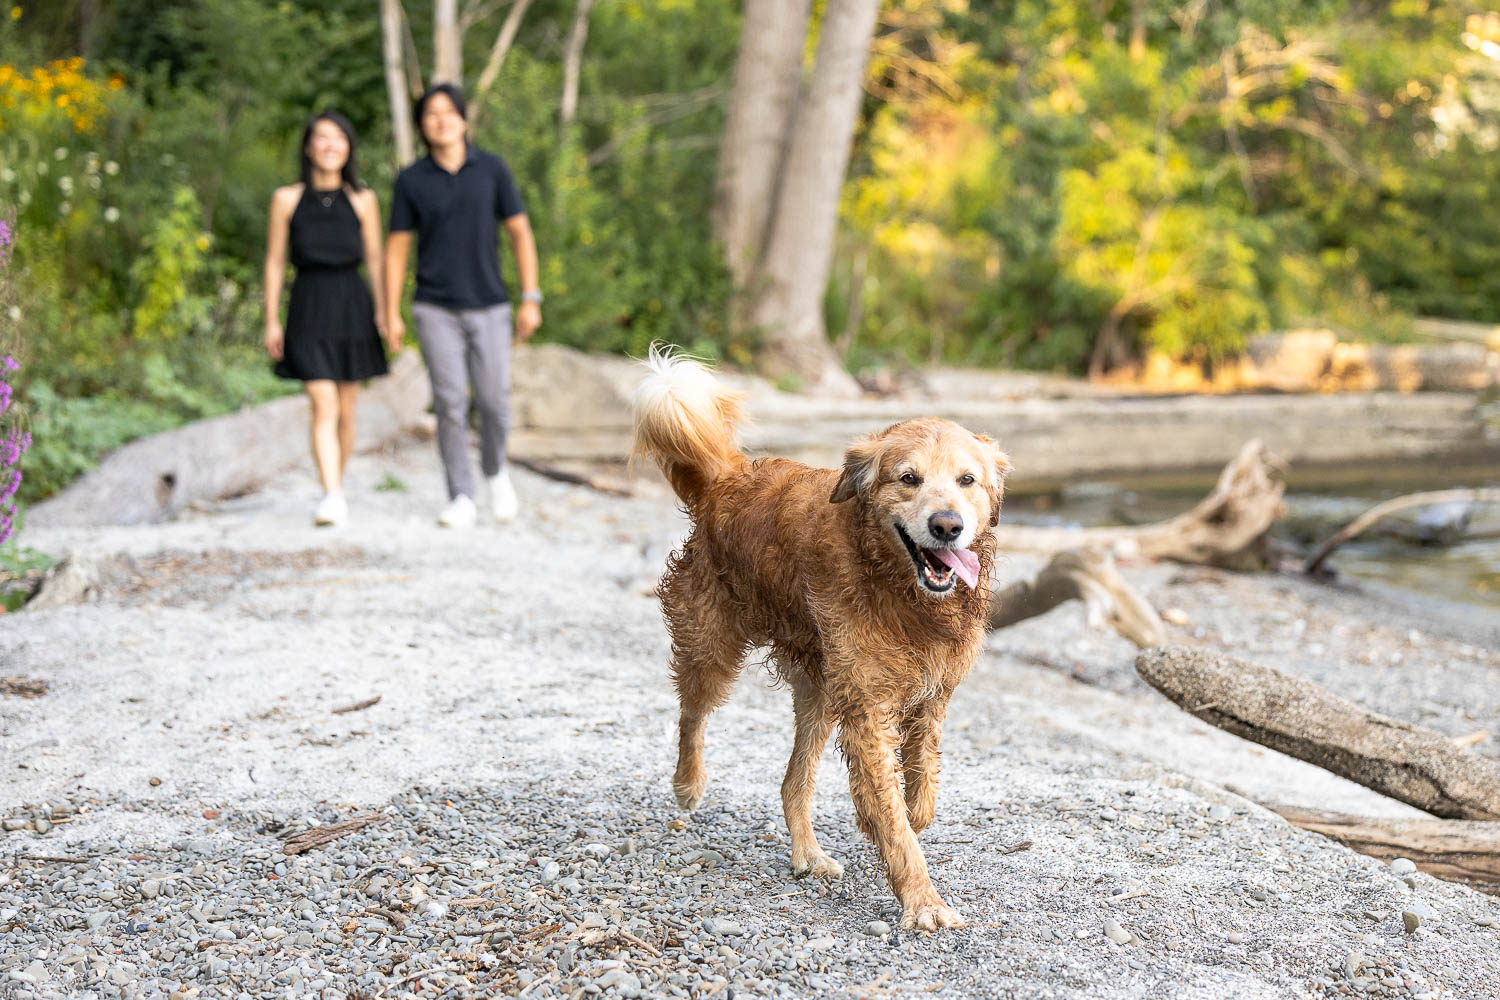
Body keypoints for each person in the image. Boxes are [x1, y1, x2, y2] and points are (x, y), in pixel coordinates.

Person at [384, 83, 542, 528]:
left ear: (464, 119)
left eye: (449, 111)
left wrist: (531, 296)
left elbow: (520, 234)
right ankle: (461, 496)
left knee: (492, 400)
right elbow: (396, 250)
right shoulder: (411, 180)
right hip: (435, 307)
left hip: (490, 305)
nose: (441, 120)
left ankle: (495, 472)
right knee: (450, 403)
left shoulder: (491, 170)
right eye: (431, 114)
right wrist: (390, 310)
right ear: (421, 125)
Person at [264, 110, 398, 527]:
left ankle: (335, 486)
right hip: (307, 303)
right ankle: (331, 494)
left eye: (338, 137)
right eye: (321, 138)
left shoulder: (363, 200)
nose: (329, 145)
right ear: (308, 146)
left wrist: (386, 312)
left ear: (349, 147)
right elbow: (274, 262)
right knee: (322, 403)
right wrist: (271, 319)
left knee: (345, 410)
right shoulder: (286, 199)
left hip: (352, 304)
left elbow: (375, 261)